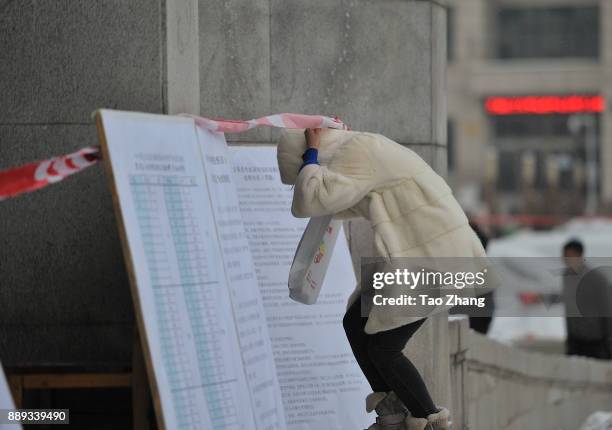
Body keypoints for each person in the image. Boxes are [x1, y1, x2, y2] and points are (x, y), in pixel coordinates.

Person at [277, 128, 490, 430]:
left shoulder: (359, 150)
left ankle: (431, 422)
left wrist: (310, 155)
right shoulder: (360, 150)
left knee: (384, 348)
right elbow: (342, 202)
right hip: (423, 255)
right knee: (355, 323)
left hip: (436, 259)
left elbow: (308, 202)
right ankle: (391, 416)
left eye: (299, 174)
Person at [561, 239, 612, 359]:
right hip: (574, 338)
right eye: (565, 255)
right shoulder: (567, 276)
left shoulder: (596, 278)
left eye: (570, 255)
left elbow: (607, 308)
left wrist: (609, 337)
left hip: (595, 339)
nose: (565, 259)